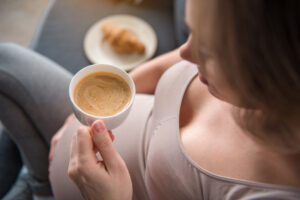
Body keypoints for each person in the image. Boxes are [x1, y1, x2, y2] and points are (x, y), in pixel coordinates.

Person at [0, 0, 299, 200]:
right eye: (192, 33)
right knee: (5, 61)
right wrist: (82, 116)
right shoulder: (218, 39)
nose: (185, 53)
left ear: (270, 75)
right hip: (103, 122)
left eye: (207, 51)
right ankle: (37, 176)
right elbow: (163, 67)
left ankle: (38, 188)